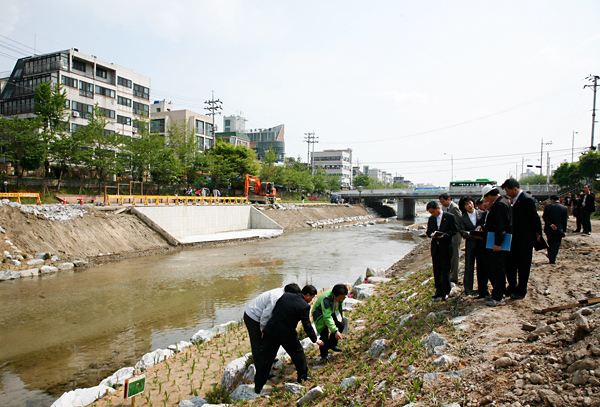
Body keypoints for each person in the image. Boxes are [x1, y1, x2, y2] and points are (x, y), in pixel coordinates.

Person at [254, 285, 324, 394]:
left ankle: (258, 386)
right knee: (298, 353)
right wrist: (315, 340)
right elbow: (307, 325)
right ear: (307, 295)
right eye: (312, 297)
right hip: (286, 333)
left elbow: (275, 309)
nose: (312, 300)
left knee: (266, 358)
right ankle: (302, 377)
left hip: (271, 329)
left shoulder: (286, 296)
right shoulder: (304, 306)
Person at [243, 283, 301, 380]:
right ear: (289, 293)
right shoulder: (277, 297)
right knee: (258, 344)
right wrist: (262, 329)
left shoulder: (284, 295)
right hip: (253, 317)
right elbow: (266, 315)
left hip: (261, 317)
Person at [501, 179, 542, 301]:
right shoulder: (516, 200)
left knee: (523, 266)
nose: (507, 194)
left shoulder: (526, 199)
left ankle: (521, 290)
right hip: (516, 238)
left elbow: (535, 218)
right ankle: (513, 286)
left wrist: (538, 234)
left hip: (525, 239)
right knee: (511, 264)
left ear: (514, 189)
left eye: (508, 191)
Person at [482, 185, 512, 307]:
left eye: (485, 198)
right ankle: (498, 293)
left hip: (497, 243)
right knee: (495, 269)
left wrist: (497, 243)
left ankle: (499, 297)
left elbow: (501, 226)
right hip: (494, 240)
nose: (485, 201)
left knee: (497, 269)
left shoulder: (500, 205)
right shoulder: (502, 202)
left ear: (489, 195)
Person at [426, 200, 458, 301]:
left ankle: (446, 291)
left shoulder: (449, 217)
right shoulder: (431, 219)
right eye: (430, 213)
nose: (432, 214)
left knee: (445, 270)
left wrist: (444, 235)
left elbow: (454, 230)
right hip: (436, 248)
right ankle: (438, 290)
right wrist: (431, 234)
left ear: (438, 208)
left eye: (433, 212)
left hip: (446, 247)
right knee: (437, 270)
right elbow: (428, 231)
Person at [458, 196, 487, 297]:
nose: (469, 205)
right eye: (466, 204)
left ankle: (483, 289)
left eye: (470, 203)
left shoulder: (482, 214)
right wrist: (468, 234)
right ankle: (468, 289)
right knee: (469, 266)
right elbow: (461, 231)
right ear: (464, 207)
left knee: (482, 266)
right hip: (470, 244)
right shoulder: (463, 218)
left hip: (482, 243)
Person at [312, 284, 347, 362]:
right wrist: (335, 331)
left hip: (332, 312)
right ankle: (324, 355)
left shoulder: (339, 296)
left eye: (343, 298)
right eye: (340, 298)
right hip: (320, 315)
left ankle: (331, 344)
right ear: (334, 295)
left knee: (340, 326)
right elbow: (327, 317)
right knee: (324, 334)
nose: (342, 300)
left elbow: (338, 307)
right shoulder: (326, 299)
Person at [438, 193, 462, 284]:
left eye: (443, 201)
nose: (442, 204)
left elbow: (459, 222)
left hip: (455, 236)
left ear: (448, 199)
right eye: (441, 202)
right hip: (451, 236)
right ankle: (451, 275)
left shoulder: (454, 208)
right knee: (451, 257)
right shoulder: (447, 208)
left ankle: (454, 277)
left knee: (455, 257)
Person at [542, 195, 568, 264]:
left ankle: (550, 255)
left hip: (549, 229)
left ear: (552, 200)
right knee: (556, 244)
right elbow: (564, 220)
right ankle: (552, 258)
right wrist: (564, 230)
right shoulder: (564, 208)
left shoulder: (548, 206)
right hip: (559, 229)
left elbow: (544, 217)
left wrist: (551, 224)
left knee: (549, 242)